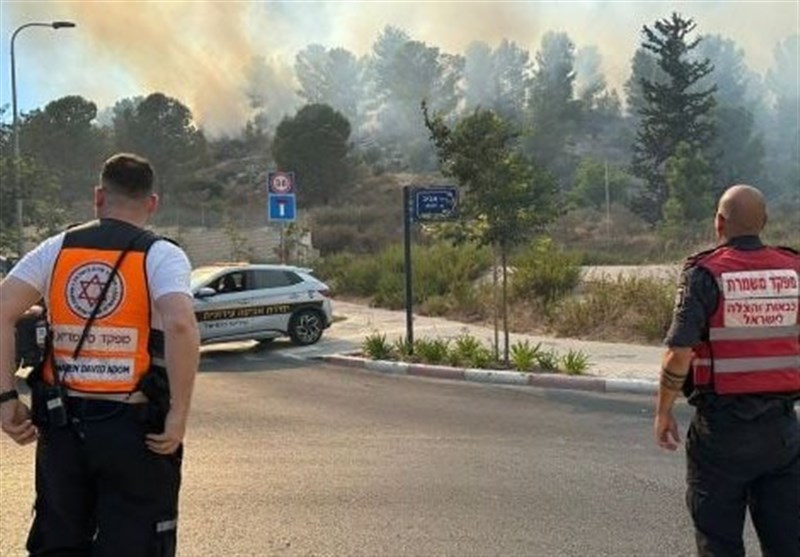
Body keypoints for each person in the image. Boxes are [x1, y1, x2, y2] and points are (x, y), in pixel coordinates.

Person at [0, 153, 201, 557]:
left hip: (62, 426)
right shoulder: (161, 255)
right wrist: (179, 413)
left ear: (98, 196)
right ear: (152, 202)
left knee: (59, 542)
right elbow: (181, 325)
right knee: (135, 542)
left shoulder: (56, 248)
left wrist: (6, 398)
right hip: (133, 429)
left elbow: (2, 310)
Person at [654, 184, 800, 557]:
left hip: (721, 433)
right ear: (764, 222)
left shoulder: (704, 274)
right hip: (782, 433)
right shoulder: (794, 269)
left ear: (719, 222)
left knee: (718, 543)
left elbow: (679, 354)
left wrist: (663, 412)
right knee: (787, 542)